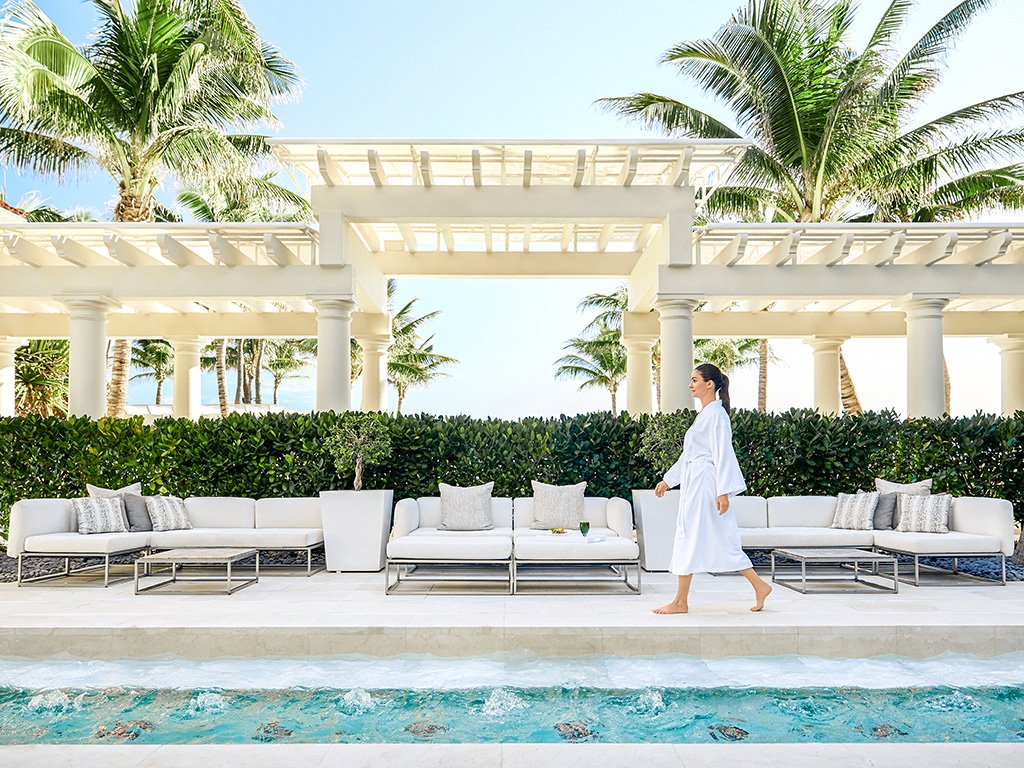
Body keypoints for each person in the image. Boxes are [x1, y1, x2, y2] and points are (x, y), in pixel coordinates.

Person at [652, 363, 772, 614]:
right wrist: (668, 480)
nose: (690, 384)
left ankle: (681, 602)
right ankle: (758, 585)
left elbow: (723, 453)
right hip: (696, 481)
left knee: (693, 535)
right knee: (706, 536)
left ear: (709, 384)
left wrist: (723, 491)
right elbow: (689, 456)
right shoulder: (704, 416)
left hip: (706, 484)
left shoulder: (717, 415)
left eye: (694, 380)